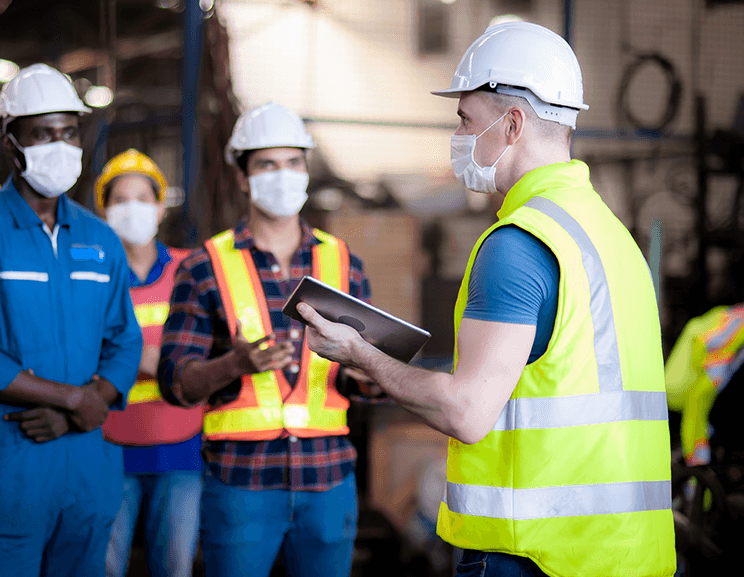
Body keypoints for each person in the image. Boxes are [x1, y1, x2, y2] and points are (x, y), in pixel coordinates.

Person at [296, 22, 675, 577]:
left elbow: (465, 411)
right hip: (629, 555)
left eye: (466, 120)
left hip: (533, 558)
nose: (459, 135)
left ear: (513, 122)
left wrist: (361, 355)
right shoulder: (612, 238)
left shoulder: (519, 243)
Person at [0, 63, 142, 577]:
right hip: (10, 456)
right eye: (43, 133)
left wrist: (81, 410)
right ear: (11, 141)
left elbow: (125, 340)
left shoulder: (99, 238)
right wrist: (73, 399)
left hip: (87, 458)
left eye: (69, 132)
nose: (60, 144)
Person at [158, 102, 372, 577]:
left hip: (328, 479)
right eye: (267, 165)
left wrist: (370, 377)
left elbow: (359, 374)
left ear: (306, 169)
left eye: (293, 162)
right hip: (240, 483)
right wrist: (232, 365)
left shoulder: (344, 264)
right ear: (242, 176)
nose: (283, 175)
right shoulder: (203, 266)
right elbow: (176, 384)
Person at [97, 149, 203, 577]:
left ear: (161, 208)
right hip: (109, 448)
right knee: (103, 568)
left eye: (142, 197)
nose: (132, 208)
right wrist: (160, 360)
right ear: (104, 211)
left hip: (181, 449)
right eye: (120, 199)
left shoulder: (191, 269)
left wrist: (132, 356)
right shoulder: (92, 273)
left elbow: (205, 352)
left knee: (175, 568)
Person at [665, 303, 744, 465]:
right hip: (700, 381)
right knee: (696, 426)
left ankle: (697, 470)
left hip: (703, 380)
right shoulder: (734, 320)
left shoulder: (731, 317)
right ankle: (697, 472)